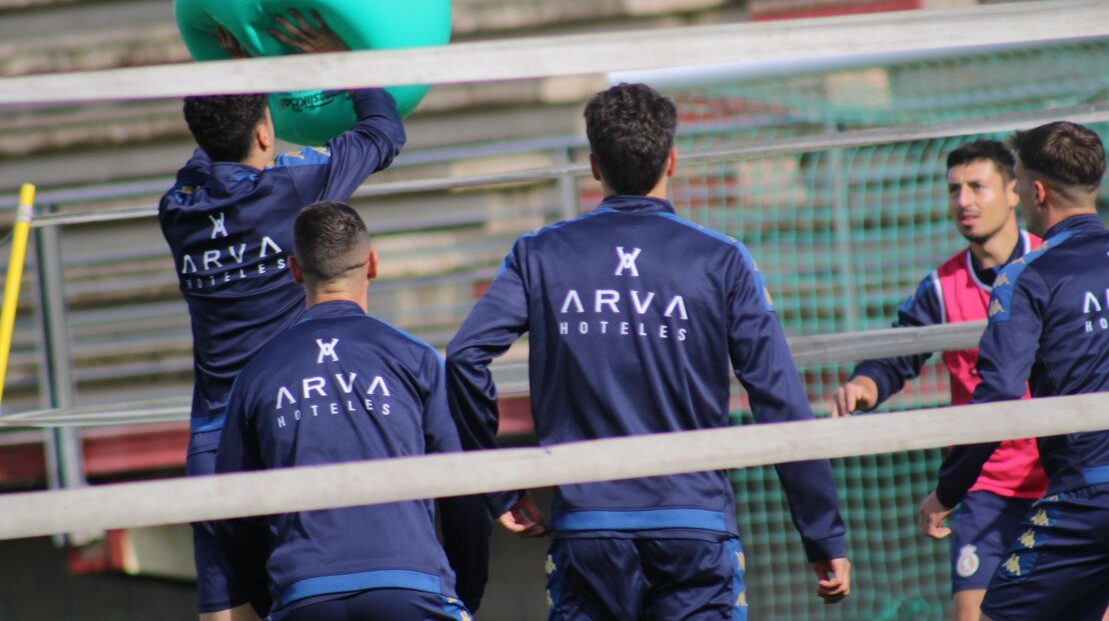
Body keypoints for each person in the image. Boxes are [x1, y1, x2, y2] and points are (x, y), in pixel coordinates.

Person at [446, 82, 851, 618]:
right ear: (673, 159)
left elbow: (462, 357)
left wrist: (496, 484)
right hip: (694, 528)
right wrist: (822, 535)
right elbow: (778, 397)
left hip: (589, 531)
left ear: (594, 166)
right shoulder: (721, 259)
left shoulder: (541, 254)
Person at [160, 10, 488, 620]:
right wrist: (336, 59)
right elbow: (384, 130)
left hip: (212, 439)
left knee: (224, 610)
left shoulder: (176, 208)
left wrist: (239, 77)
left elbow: (211, 150)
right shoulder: (292, 187)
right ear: (265, 135)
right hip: (288, 424)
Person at [215, 201, 474, 621]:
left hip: (303, 592)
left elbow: (230, 513)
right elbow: (461, 493)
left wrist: (276, 603)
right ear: (372, 264)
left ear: (295, 270)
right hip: (413, 586)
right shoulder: (417, 358)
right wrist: (463, 591)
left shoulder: (256, 373)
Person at [831, 140, 1046, 619]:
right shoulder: (941, 287)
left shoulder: (1052, 265)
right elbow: (899, 351)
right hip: (984, 487)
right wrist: (867, 383)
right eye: (954, 190)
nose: (964, 201)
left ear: (1014, 192)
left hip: (1061, 476)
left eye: (977, 186)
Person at [919, 121, 1109, 621]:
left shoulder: (1028, 276)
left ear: (1038, 191)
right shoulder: (947, 283)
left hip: (1086, 496)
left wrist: (947, 491)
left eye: (1019, 184)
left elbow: (999, 396)